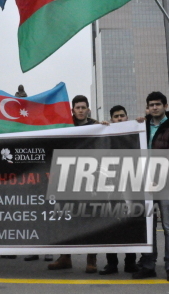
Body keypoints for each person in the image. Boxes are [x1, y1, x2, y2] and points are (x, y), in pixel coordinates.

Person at [48, 95, 108, 274]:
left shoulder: (97, 126)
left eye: (83, 107)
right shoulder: (64, 125)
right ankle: (65, 257)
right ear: (72, 110)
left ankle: (92, 259)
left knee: (90, 220)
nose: (81, 110)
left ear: (88, 109)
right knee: (66, 220)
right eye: (77, 107)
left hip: (90, 179)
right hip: (68, 176)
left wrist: (107, 128)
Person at [132, 92, 169, 283]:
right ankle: (148, 265)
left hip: (167, 184)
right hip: (145, 184)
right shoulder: (142, 126)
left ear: (165, 105)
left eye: (158, 104)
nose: (154, 107)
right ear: (147, 107)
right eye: (151, 105)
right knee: (148, 227)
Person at [98, 105, 139, 276]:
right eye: (116, 116)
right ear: (112, 118)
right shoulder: (105, 134)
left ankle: (130, 262)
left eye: (122, 116)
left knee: (130, 223)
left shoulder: (135, 134)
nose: (120, 119)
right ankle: (111, 263)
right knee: (111, 224)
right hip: (112, 185)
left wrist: (141, 124)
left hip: (130, 184)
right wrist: (100, 127)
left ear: (127, 117)